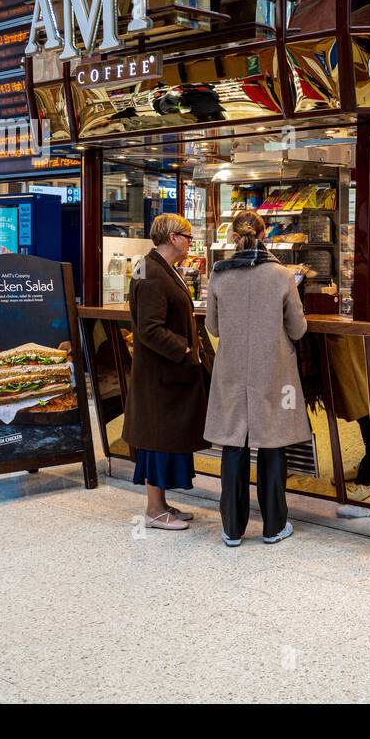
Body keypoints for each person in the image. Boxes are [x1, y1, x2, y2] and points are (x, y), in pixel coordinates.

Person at [205, 209, 310, 546]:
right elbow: (298, 327)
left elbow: (213, 327)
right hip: (273, 369)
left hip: (232, 368)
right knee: (272, 442)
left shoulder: (219, 275)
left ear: (234, 237)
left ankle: (232, 529)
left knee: (234, 443)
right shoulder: (281, 275)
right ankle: (274, 526)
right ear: (264, 234)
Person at [124, 213, 209, 531]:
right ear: (172, 237)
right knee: (157, 438)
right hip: (162, 374)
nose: (190, 241)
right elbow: (149, 327)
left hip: (165, 374)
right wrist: (184, 350)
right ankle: (154, 511)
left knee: (162, 437)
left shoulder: (156, 267)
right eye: (187, 236)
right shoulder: (152, 273)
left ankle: (161, 504)